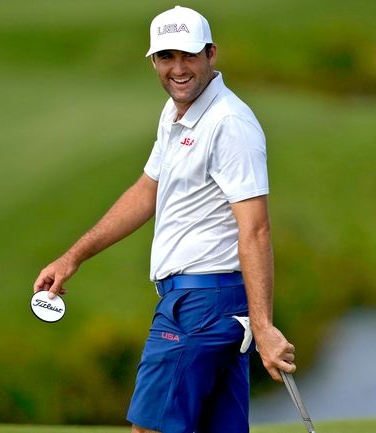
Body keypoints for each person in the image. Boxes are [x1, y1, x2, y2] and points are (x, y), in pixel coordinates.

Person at [32, 6, 296, 433]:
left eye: (188, 56)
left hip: (199, 306)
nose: (177, 69)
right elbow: (146, 190)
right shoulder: (176, 112)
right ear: (153, 61)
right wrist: (73, 257)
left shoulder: (229, 123)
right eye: (165, 57)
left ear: (211, 54)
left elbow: (256, 227)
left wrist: (264, 327)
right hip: (213, 305)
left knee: (148, 430)